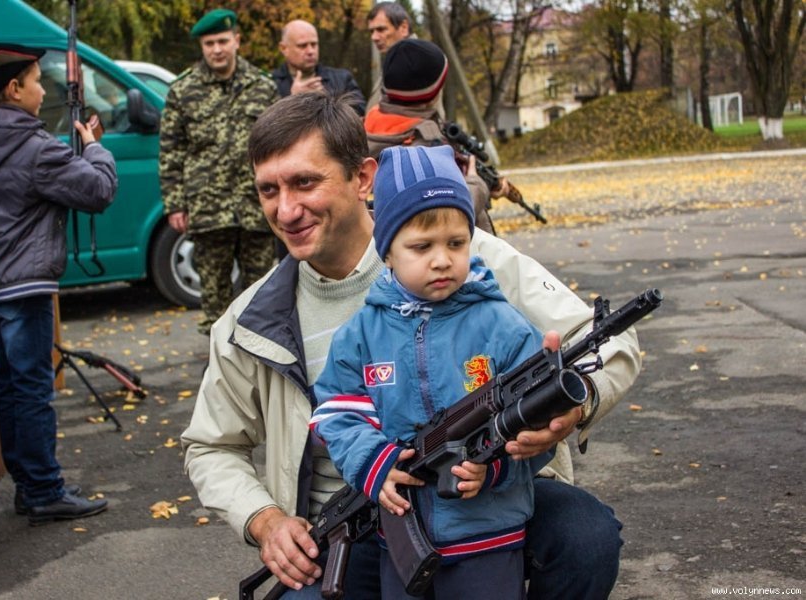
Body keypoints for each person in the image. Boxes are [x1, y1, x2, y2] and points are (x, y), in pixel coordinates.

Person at [182, 92, 640, 599]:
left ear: (362, 178)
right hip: (352, 524)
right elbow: (211, 445)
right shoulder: (251, 321)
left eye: (305, 182)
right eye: (269, 189)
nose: (286, 209)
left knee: (585, 536)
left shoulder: (464, 259)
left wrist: (574, 405)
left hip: (487, 492)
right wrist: (265, 520)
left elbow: (605, 340)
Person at [310, 144, 553, 598]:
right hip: (401, 536)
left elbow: (536, 426)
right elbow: (336, 412)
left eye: (456, 243)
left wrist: (493, 469)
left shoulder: (502, 325)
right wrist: (374, 464)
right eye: (421, 247)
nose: (442, 259)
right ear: (387, 252)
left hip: (488, 537)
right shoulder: (363, 333)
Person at [0, 43, 116, 524]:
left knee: (10, 385)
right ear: (13, 88)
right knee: (31, 389)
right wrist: (94, 147)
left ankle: (28, 485)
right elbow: (98, 190)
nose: (43, 90)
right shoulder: (33, 147)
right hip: (22, 284)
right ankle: (45, 490)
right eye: (35, 80)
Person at [159, 8, 278, 336]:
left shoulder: (262, 87)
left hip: (255, 205)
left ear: (237, 40)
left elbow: (278, 147)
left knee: (263, 294)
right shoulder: (183, 90)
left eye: (223, 41)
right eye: (209, 43)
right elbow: (171, 150)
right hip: (208, 208)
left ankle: (261, 354)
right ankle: (219, 358)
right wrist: (175, 204)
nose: (216, 49)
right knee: (214, 298)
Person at [365, 38, 506, 234]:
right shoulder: (428, 146)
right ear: (433, 92)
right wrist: (477, 185)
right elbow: (446, 213)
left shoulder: (364, 128)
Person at [271, 19, 366, 116]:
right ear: (284, 48)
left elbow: (360, 113)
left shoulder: (342, 79)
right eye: (302, 46)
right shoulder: (270, 83)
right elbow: (266, 123)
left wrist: (326, 102)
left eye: (314, 44)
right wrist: (293, 100)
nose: (310, 51)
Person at [366, 1, 413, 110]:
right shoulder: (397, 59)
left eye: (381, 29)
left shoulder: (416, 63)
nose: (374, 37)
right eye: (371, 31)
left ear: (403, 28)